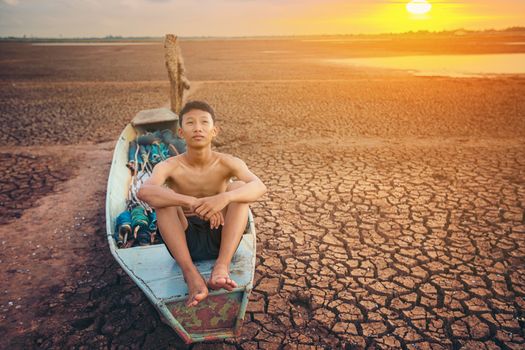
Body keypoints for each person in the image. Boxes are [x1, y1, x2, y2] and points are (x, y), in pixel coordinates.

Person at [138, 100, 266, 307]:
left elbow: (259, 186)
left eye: (204, 122)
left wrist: (223, 198)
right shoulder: (169, 166)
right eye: (190, 123)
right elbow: (144, 191)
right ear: (181, 132)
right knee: (164, 197)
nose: (198, 128)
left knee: (238, 189)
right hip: (185, 242)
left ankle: (221, 267)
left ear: (214, 130)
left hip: (222, 237)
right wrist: (191, 201)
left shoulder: (228, 162)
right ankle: (191, 275)